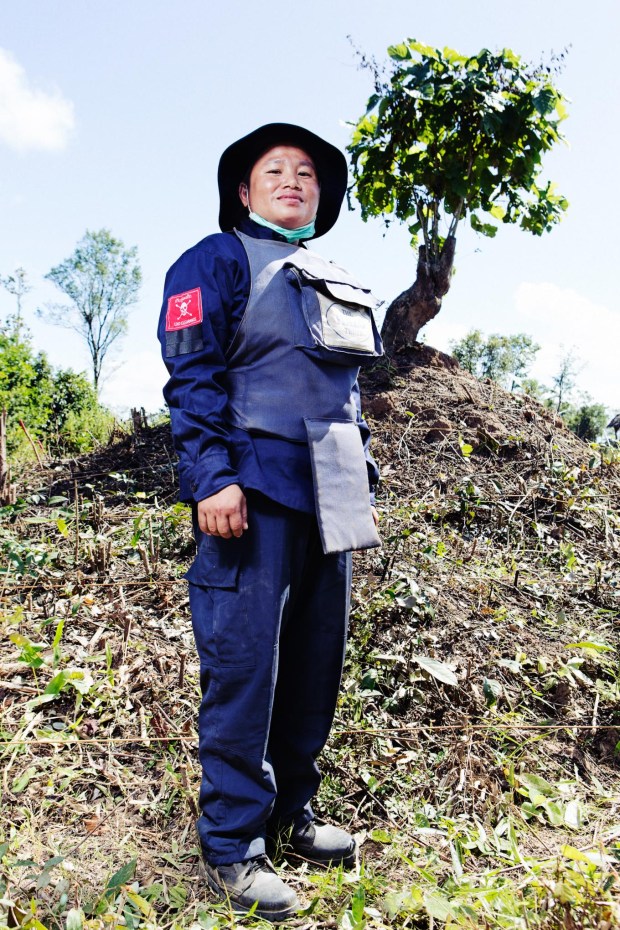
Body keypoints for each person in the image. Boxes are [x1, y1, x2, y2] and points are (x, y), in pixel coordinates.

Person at [158, 123, 383, 921]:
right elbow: (192, 376)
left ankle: (293, 816)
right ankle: (230, 843)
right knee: (246, 668)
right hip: (250, 493)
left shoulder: (336, 276)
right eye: (275, 170)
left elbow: (346, 395)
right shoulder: (217, 261)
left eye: (308, 174)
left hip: (334, 497)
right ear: (245, 191)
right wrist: (212, 477)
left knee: (314, 667)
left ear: (321, 197)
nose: (294, 180)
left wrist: (364, 472)